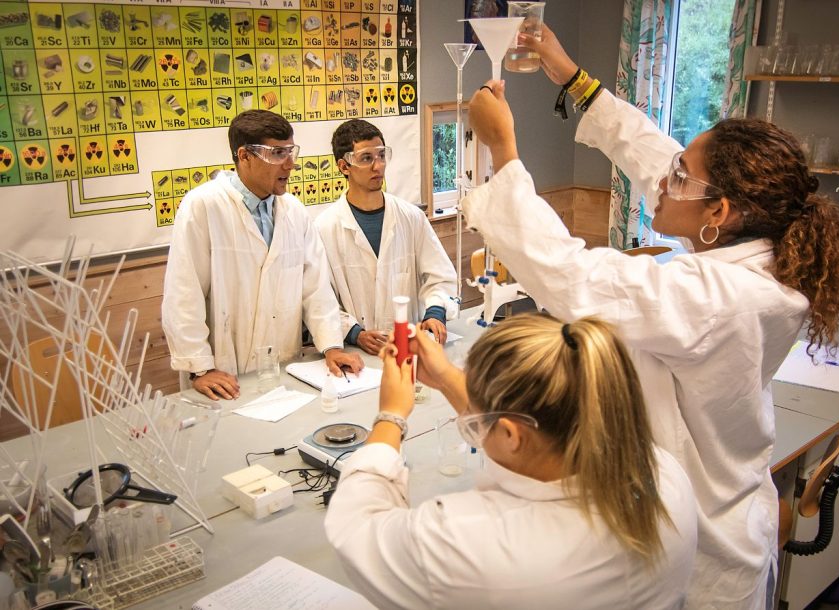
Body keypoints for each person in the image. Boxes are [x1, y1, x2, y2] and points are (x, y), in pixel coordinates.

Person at [462, 26, 839, 609]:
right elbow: (656, 157)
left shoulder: (718, 293)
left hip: (699, 548)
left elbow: (574, 277)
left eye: (680, 177)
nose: (663, 180)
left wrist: (505, 154)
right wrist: (576, 80)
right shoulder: (759, 251)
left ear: (718, 212)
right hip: (698, 509)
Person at [325, 314, 698, 609]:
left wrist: (391, 414)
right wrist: (446, 377)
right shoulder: (662, 473)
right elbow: (515, 427)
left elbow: (358, 526)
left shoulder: (468, 542)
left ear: (513, 435)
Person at [162, 110, 364, 400]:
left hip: (284, 370)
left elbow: (315, 289)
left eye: (290, 152)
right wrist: (200, 368)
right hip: (223, 374)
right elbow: (184, 291)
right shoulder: (203, 206)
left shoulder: (293, 212)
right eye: (278, 153)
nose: (290, 164)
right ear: (244, 156)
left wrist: (332, 346)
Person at [315, 119, 457, 355]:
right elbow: (320, 299)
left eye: (381, 155)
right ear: (344, 166)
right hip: (358, 355)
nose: (378, 166)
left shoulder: (411, 217)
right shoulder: (324, 228)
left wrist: (435, 313)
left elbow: (440, 277)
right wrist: (355, 333)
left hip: (409, 349)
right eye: (366, 158)